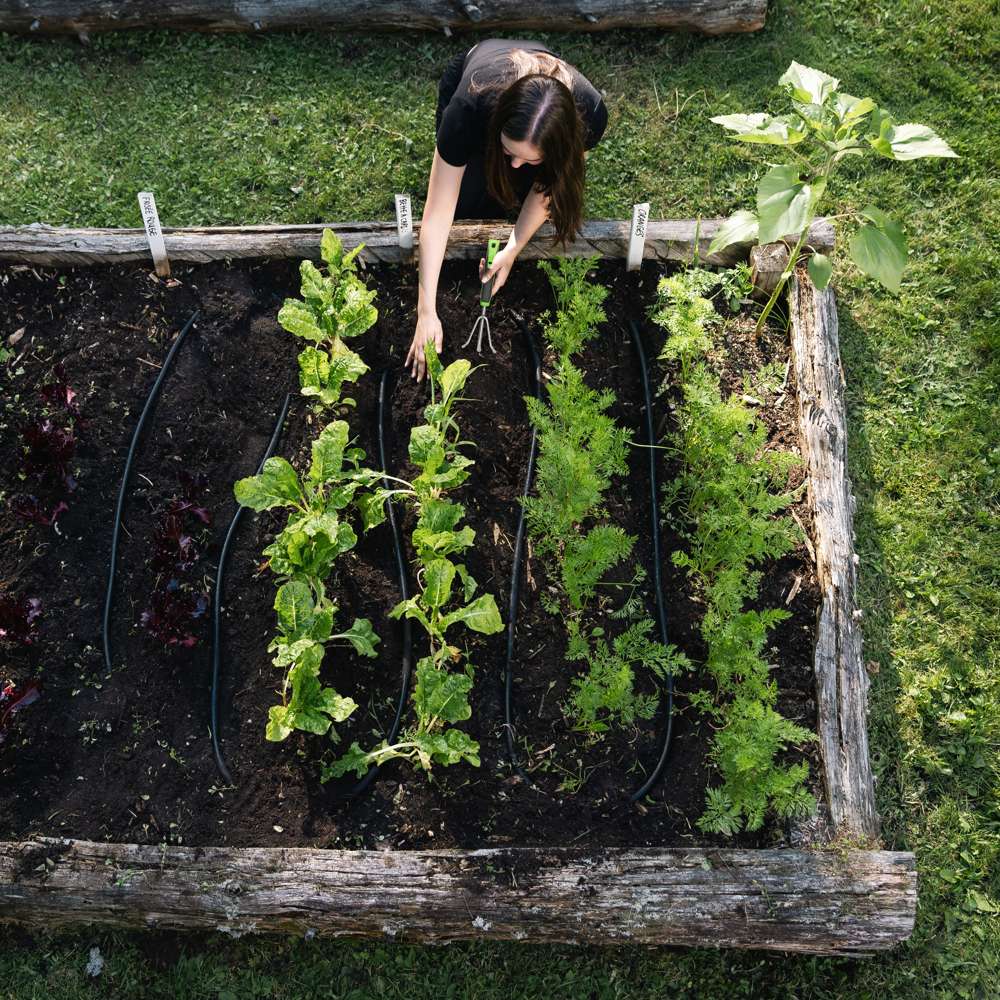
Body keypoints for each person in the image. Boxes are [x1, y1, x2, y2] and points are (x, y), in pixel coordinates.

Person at [405, 39, 608, 381]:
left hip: (538, 113)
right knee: (465, 202)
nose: (515, 165)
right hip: (476, 75)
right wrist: (426, 310)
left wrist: (513, 249)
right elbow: (438, 213)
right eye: (509, 151)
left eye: (530, 159)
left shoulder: (590, 114)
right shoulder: (467, 110)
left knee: (516, 188)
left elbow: (549, 187)